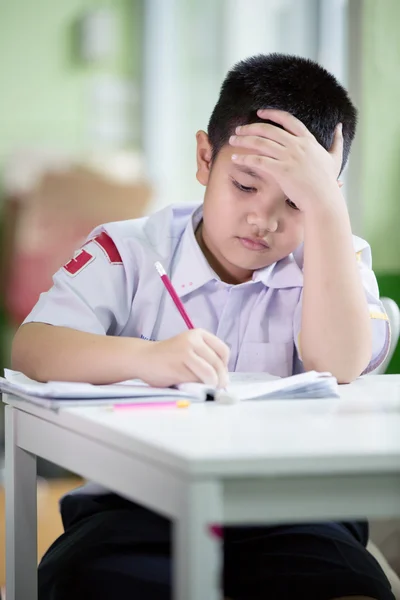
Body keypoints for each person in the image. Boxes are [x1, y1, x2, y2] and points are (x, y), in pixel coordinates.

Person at [12, 54, 394, 600]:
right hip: (133, 510)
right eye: (244, 186)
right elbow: (34, 346)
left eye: (297, 200)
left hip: (296, 514)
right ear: (204, 157)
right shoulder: (129, 249)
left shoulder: (336, 255)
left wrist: (328, 209)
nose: (264, 219)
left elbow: (338, 362)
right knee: (95, 583)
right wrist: (147, 360)